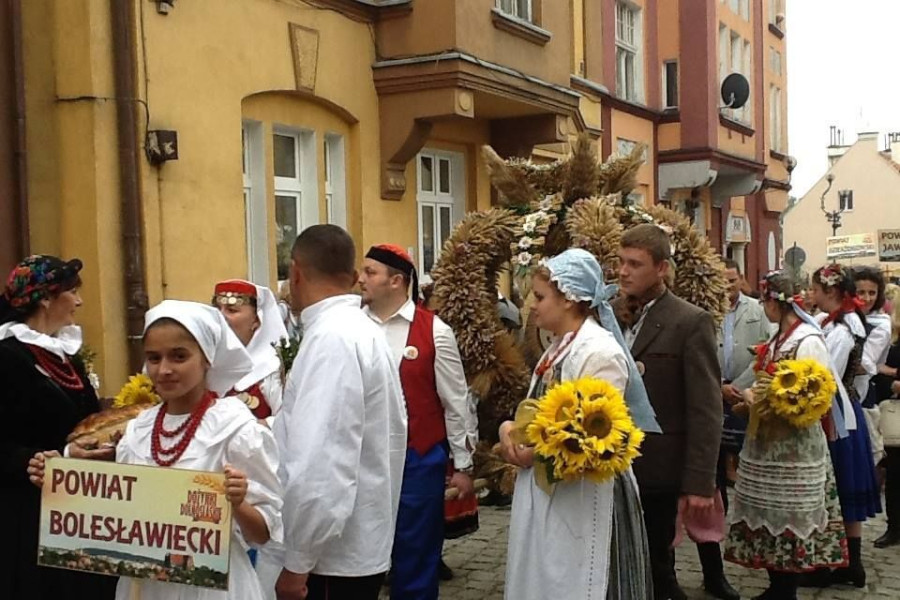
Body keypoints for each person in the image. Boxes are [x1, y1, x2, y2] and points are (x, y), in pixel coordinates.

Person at [498, 248, 659, 599]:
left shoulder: (599, 353)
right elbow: (538, 412)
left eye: (540, 297)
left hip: (585, 497)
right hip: (551, 491)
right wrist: (509, 429)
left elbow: (594, 440)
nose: (532, 306)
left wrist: (531, 453)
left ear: (570, 299)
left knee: (579, 581)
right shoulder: (558, 346)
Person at [258, 225, 407, 600]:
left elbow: (322, 465)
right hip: (351, 546)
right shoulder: (359, 329)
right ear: (354, 278)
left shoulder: (333, 340)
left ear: (295, 272)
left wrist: (297, 563)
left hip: (330, 560)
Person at [612, 224, 723, 600]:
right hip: (611, 463)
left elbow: (706, 408)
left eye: (635, 264)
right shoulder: (608, 314)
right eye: (621, 261)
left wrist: (699, 482)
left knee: (659, 568)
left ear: (661, 268)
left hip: (659, 466)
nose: (623, 271)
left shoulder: (689, 321)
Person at [358, 244, 475, 600]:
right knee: (359, 557)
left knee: (416, 556)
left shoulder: (435, 330)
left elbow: (455, 402)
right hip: (361, 458)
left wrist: (464, 463)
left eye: (370, 272)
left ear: (396, 281)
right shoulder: (351, 325)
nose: (360, 279)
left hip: (418, 459)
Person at [724, 271, 848, 600]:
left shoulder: (807, 340)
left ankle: (786, 590)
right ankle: (776, 585)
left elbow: (814, 396)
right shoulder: (780, 337)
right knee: (769, 516)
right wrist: (753, 400)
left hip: (794, 445)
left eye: (765, 300)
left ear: (774, 302)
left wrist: (760, 400)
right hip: (768, 443)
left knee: (790, 518)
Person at [2, 255, 118, 599]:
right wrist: (44, 457)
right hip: (28, 514)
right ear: (46, 298)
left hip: (77, 508)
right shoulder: (8, 357)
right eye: (72, 292)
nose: (79, 301)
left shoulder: (63, 354)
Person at [696, 258, 772, 600]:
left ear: (740, 278)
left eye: (732, 279)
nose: (727, 286)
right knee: (712, 477)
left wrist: (737, 387)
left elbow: (764, 355)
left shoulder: (756, 311)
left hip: (745, 395)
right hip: (710, 397)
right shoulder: (701, 310)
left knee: (745, 460)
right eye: (721, 280)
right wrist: (718, 386)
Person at [808, 264, 881, 587]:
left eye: (815, 290)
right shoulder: (834, 322)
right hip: (841, 411)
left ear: (831, 292)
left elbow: (827, 376)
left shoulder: (842, 330)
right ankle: (848, 564)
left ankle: (838, 563)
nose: (811, 296)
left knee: (836, 487)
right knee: (842, 486)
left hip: (837, 415)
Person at [213, 280, 289, 423]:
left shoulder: (273, 369)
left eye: (232, 310)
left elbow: (290, 422)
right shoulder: (205, 365)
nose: (220, 317)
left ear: (256, 320)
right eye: (217, 309)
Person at [875, 298, 900, 547]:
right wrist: (891, 381)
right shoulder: (891, 342)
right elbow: (877, 374)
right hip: (896, 415)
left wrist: (891, 374)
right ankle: (894, 527)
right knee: (894, 475)